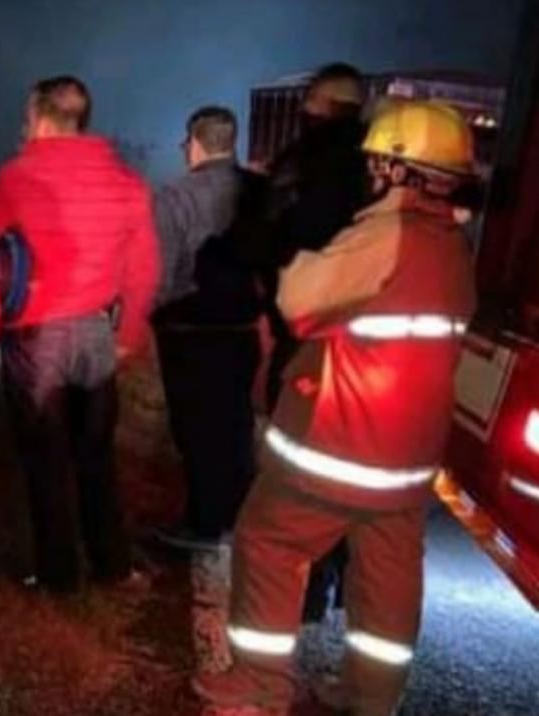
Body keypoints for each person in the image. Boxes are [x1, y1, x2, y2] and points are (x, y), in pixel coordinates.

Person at [195, 100, 478, 716]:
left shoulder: (383, 234)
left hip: (340, 448)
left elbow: (299, 299)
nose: (372, 171)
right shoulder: (454, 246)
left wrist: (298, 255)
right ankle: (371, 696)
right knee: (387, 578)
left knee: (268, 542)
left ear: (401, 170)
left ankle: (259, 685)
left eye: (379, 161)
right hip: (408, 460)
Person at [0, 76, 159, 594]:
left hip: (38, 340)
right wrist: (127, 333)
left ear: (38, 117)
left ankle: (59, 578)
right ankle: (112, 567)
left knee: (45, 458)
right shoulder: (126, 183)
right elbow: (143, 269)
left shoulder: (17, 176)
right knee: (96, 456)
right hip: (98, 335)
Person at [261, 62, 372, 624]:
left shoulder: (310, 166)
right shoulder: (375, 169)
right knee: (348, 469)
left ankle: (304, 591)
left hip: (309, 336)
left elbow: (285, 240)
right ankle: (342, 583)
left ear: (320, 105)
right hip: (364, 348)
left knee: (301, 467)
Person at [150, 106, 267, 551]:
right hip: (242, 329)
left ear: (194, 143)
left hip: (189, 331)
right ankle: (238, 516)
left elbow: (162, 271)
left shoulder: (175, 197)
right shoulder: (257, 191)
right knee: (235, 424)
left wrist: (151, 313)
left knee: (195, 429)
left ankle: (203, 522)